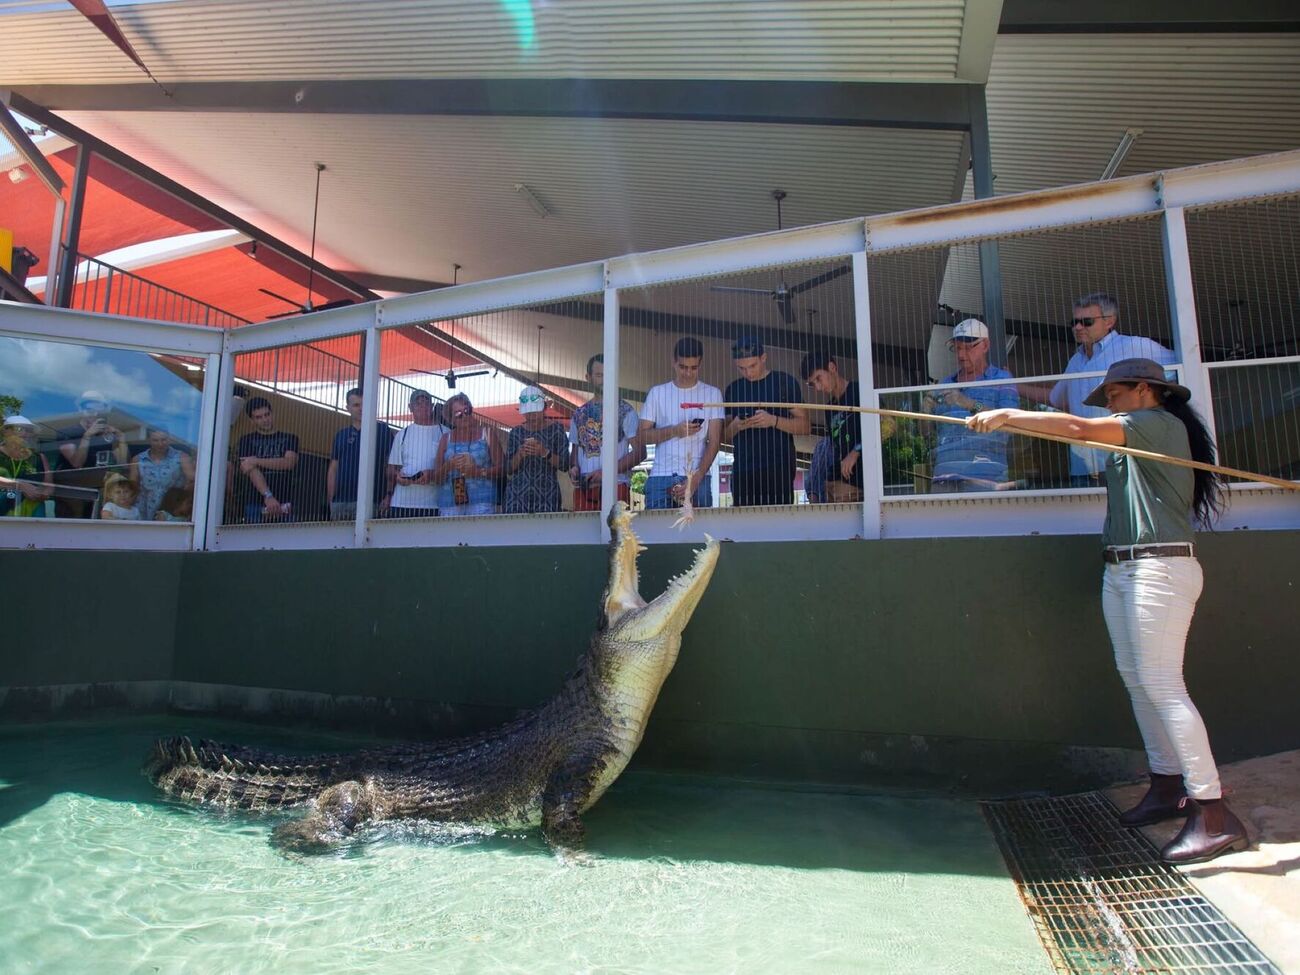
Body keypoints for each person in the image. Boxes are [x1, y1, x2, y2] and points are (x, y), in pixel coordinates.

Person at [968, 358, 1248, 865]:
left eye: (1114, 394)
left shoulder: (1156, 423)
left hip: (1158, 568)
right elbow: (1077, 432)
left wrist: (1007, 414)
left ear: (1145, 390)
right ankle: (1167, 788)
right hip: (1123, 568)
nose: (1110, 403)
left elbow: (1076, 426)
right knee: (1137, 680)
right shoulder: (1130, 437)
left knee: (1163, 685)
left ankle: (1212, 811)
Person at [1043, 293, 1176, 486]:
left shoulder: (1136, 346)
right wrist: (1013, 386)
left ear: (1110, 321)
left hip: (1125, 460)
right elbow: (1056, 399)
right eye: (1074, 322)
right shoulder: (1075, 361)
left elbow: (1183, 368)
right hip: (1083, 467)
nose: (1078, 327)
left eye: (1086, 321)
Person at [922, 319, 1020, 492]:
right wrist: (925, 408)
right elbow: (925, 434)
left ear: (985, 345)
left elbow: (1012, 425)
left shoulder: (1002, 380)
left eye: (968, 347)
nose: (961, 355)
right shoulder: (945, 384)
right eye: (958, 348)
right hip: (944, 476)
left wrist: (967, 403)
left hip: (985, 476)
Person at [638, 337, 724, 510]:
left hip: (697, 476)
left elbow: (714, 442)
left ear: (700, 364)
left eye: (694, 368)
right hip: (660, 475)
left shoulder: (713, 394)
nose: (688, 373)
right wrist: (675, 431)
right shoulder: (657, 393)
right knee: (656, 534)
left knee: (698, 536)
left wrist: (696, 479)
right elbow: (641, 436)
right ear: (673, 362)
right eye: (683, 367)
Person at [723, 337, 809, 506]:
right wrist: (736, 426)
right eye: (741, 368)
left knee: (779, 525)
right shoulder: (733, 389)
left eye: (752, 366)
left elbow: (805, 426)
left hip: (779, 469)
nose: (748, 373)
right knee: (743, 527)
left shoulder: (784, 382)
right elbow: (723, 437)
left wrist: (774, 421)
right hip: (743, 471)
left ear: (764, 358)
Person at [568, 354, 644, 511]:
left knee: (615, 534)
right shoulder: (579, 413)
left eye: (608, 374)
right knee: (582, 535)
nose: (604, 380)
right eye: (599, 375)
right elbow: (575, 450)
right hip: (584, 490)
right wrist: (574, 468)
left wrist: (607, 473)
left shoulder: (626, 411)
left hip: (616, 486)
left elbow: (640, 452)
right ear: (588, 377)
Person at [800, 351, 867, 503]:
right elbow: (834, 447)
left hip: (865, 482)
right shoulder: (829, 408)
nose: (817, 387)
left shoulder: (860, 392)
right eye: (812, 384)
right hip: (837, 482)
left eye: (818, 378)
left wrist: (856, 452)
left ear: (832, 367)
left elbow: (886, 427)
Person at [55, 389, 129, 517]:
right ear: (81, 410)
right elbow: (77, 463)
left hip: (98, 493)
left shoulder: (106, 435)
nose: (94, 414)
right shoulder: (67, 432)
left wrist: (121, 438)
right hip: (71, 495)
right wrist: (87, 436)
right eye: (89, 410)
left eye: (98, 412)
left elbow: (122, 463)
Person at [328, 387, 395, 521]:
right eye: (356, 405)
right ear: (348, 408)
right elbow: (333, 469)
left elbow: (391, 465)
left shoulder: (382, 430)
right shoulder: (341, 435)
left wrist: (389, 495)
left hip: (373, 501)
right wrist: (331, 500)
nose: (361, 409)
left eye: (364, 404)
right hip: (341, 503)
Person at [433, 393, 504, 517]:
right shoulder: (446, 439)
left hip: (483, 501)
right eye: (458, 414)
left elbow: (503, 468)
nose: (464, 416)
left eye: (467, 410)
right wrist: (449, 466)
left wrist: (477, 472)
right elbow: (436, 478)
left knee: (480, 536)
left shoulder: (487, 434)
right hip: (450, 502)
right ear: (451, 418)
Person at [230, 397, 299, 523]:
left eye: (267, 415)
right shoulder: (246, 440)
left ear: (272, 414)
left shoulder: (290, 438)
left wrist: (256, 461)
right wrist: (268, 496)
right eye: (258, 417)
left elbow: (289, 463)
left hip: (285, 501)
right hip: (255, 503)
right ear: (251, 420)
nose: (265, 420)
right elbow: (250, 470)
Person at [504, 386, 569, 514]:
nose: (531, 416)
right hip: (517, 498)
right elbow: (508, 469)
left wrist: (545, 453)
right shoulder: (516, 432)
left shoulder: (557, 429)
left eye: (535, 412)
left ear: (545, 408)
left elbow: (565, 464)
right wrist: (520, 455)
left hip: (548, 497)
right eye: (528, 413)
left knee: (547, 532)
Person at [384, 389, 444, 518]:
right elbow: (392, 468)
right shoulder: (402, 434)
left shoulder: (445, 432)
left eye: (426, 403)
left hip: (434, 504)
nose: (422, 406)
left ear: (432, 406)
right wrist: (397, 477)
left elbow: (452, 467)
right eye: (418, 403)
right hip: (402, 503)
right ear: (410, 407)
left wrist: (433, 475)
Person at [130, 426, 195, 521]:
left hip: (171, 508)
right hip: (144, 507)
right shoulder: (138, 459)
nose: (160, 444)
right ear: (149, 440)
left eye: (163, 440)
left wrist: (181, 500)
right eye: (155, 440)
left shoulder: (181, 457)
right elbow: (132, 486)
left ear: (169, 438)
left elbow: (192, 480)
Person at [1, 415, 54, 518]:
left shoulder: (39, 457)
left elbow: (49, 485)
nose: (25, 434)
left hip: (32, 511)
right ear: (6, 432)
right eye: (20, 429)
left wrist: (44, 493)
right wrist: (19, 485)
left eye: (28, 430)